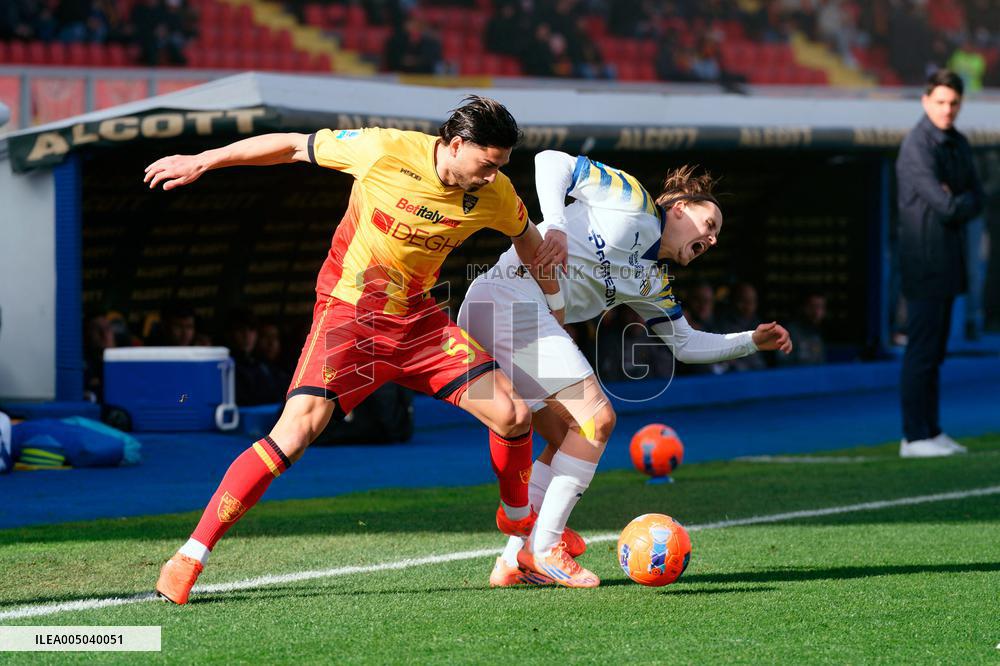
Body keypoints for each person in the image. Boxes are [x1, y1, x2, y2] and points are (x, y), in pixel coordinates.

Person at [145, 96, 565, 604]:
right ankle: (191, 553)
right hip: (351, 317)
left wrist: (553, 282)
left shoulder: (495, 192)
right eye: (487, 163)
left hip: (419, 324)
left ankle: (518, 526)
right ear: (456, 145)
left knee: (514, 413)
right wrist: (203, 160)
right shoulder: (382, 149)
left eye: (501, 166)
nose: (493, 175)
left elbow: (526, 240)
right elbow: (289, 146)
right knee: (296, 432)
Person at [458, 150, 792, 588]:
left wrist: (750, 340)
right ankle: (545, 548)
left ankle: (513, 559)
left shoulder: (653, 280)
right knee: (597, 419)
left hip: (502, 312)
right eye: (708, 226)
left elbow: (686, 345)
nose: (711, 240)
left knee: (565, 437)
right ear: (679, 209)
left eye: (715, 238)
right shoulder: (630, 198)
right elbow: (550, 161)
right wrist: (554, 224)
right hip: (507, 299)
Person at [896, 69, 983, 458]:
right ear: (926, 101)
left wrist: (959, 199)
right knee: (922, 352)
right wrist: (959, 199)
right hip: (923, 262)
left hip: (949, 262)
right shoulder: (917, 145)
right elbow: (947, 205)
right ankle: (914, 437)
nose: (947, 110)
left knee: (936, 354)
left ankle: (931, 430)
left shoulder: (957, 142)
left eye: (953, 103)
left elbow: (977, 197)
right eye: (941, 102)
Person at [776, 292, 827, 366]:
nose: (817, 312)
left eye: (821, 307)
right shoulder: (789, 332)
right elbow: (783, 365)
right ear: (804, 307)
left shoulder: (818, 334)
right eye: (813, 307)